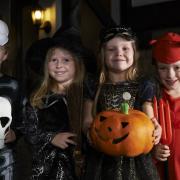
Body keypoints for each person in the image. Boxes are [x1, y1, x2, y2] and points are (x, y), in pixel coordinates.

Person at [82, 26, 161, 180]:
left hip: (137, 159)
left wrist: (155, 127)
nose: (119, 53)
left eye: (125, 48)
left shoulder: (144, 84)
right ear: (103, 55)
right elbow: (87, 120)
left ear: (135, 54)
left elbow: (149, 118)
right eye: (111, 49)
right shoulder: (93, 85)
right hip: (102, 160)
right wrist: (89, 132)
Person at [22, 36, 85, 179]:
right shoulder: (39, 98)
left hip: (81, 165)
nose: (59, 65)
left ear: (77, 64)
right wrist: (51, 137)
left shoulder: (84, 96)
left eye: (66, 60)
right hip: (50, 167)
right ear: (46, 64)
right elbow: (29, 130)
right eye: (53, 60)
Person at [150, 32, 180, 180]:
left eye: (177, 68)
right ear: (156, 68)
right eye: (163, 68)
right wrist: (153, 151)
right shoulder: (151, 101)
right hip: (163, 173)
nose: (170, 75)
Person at [0, 19, 22, 180]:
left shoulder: (13, 86)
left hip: (4, 160)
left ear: (5, 54)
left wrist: (16, 132)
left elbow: (24, 118)